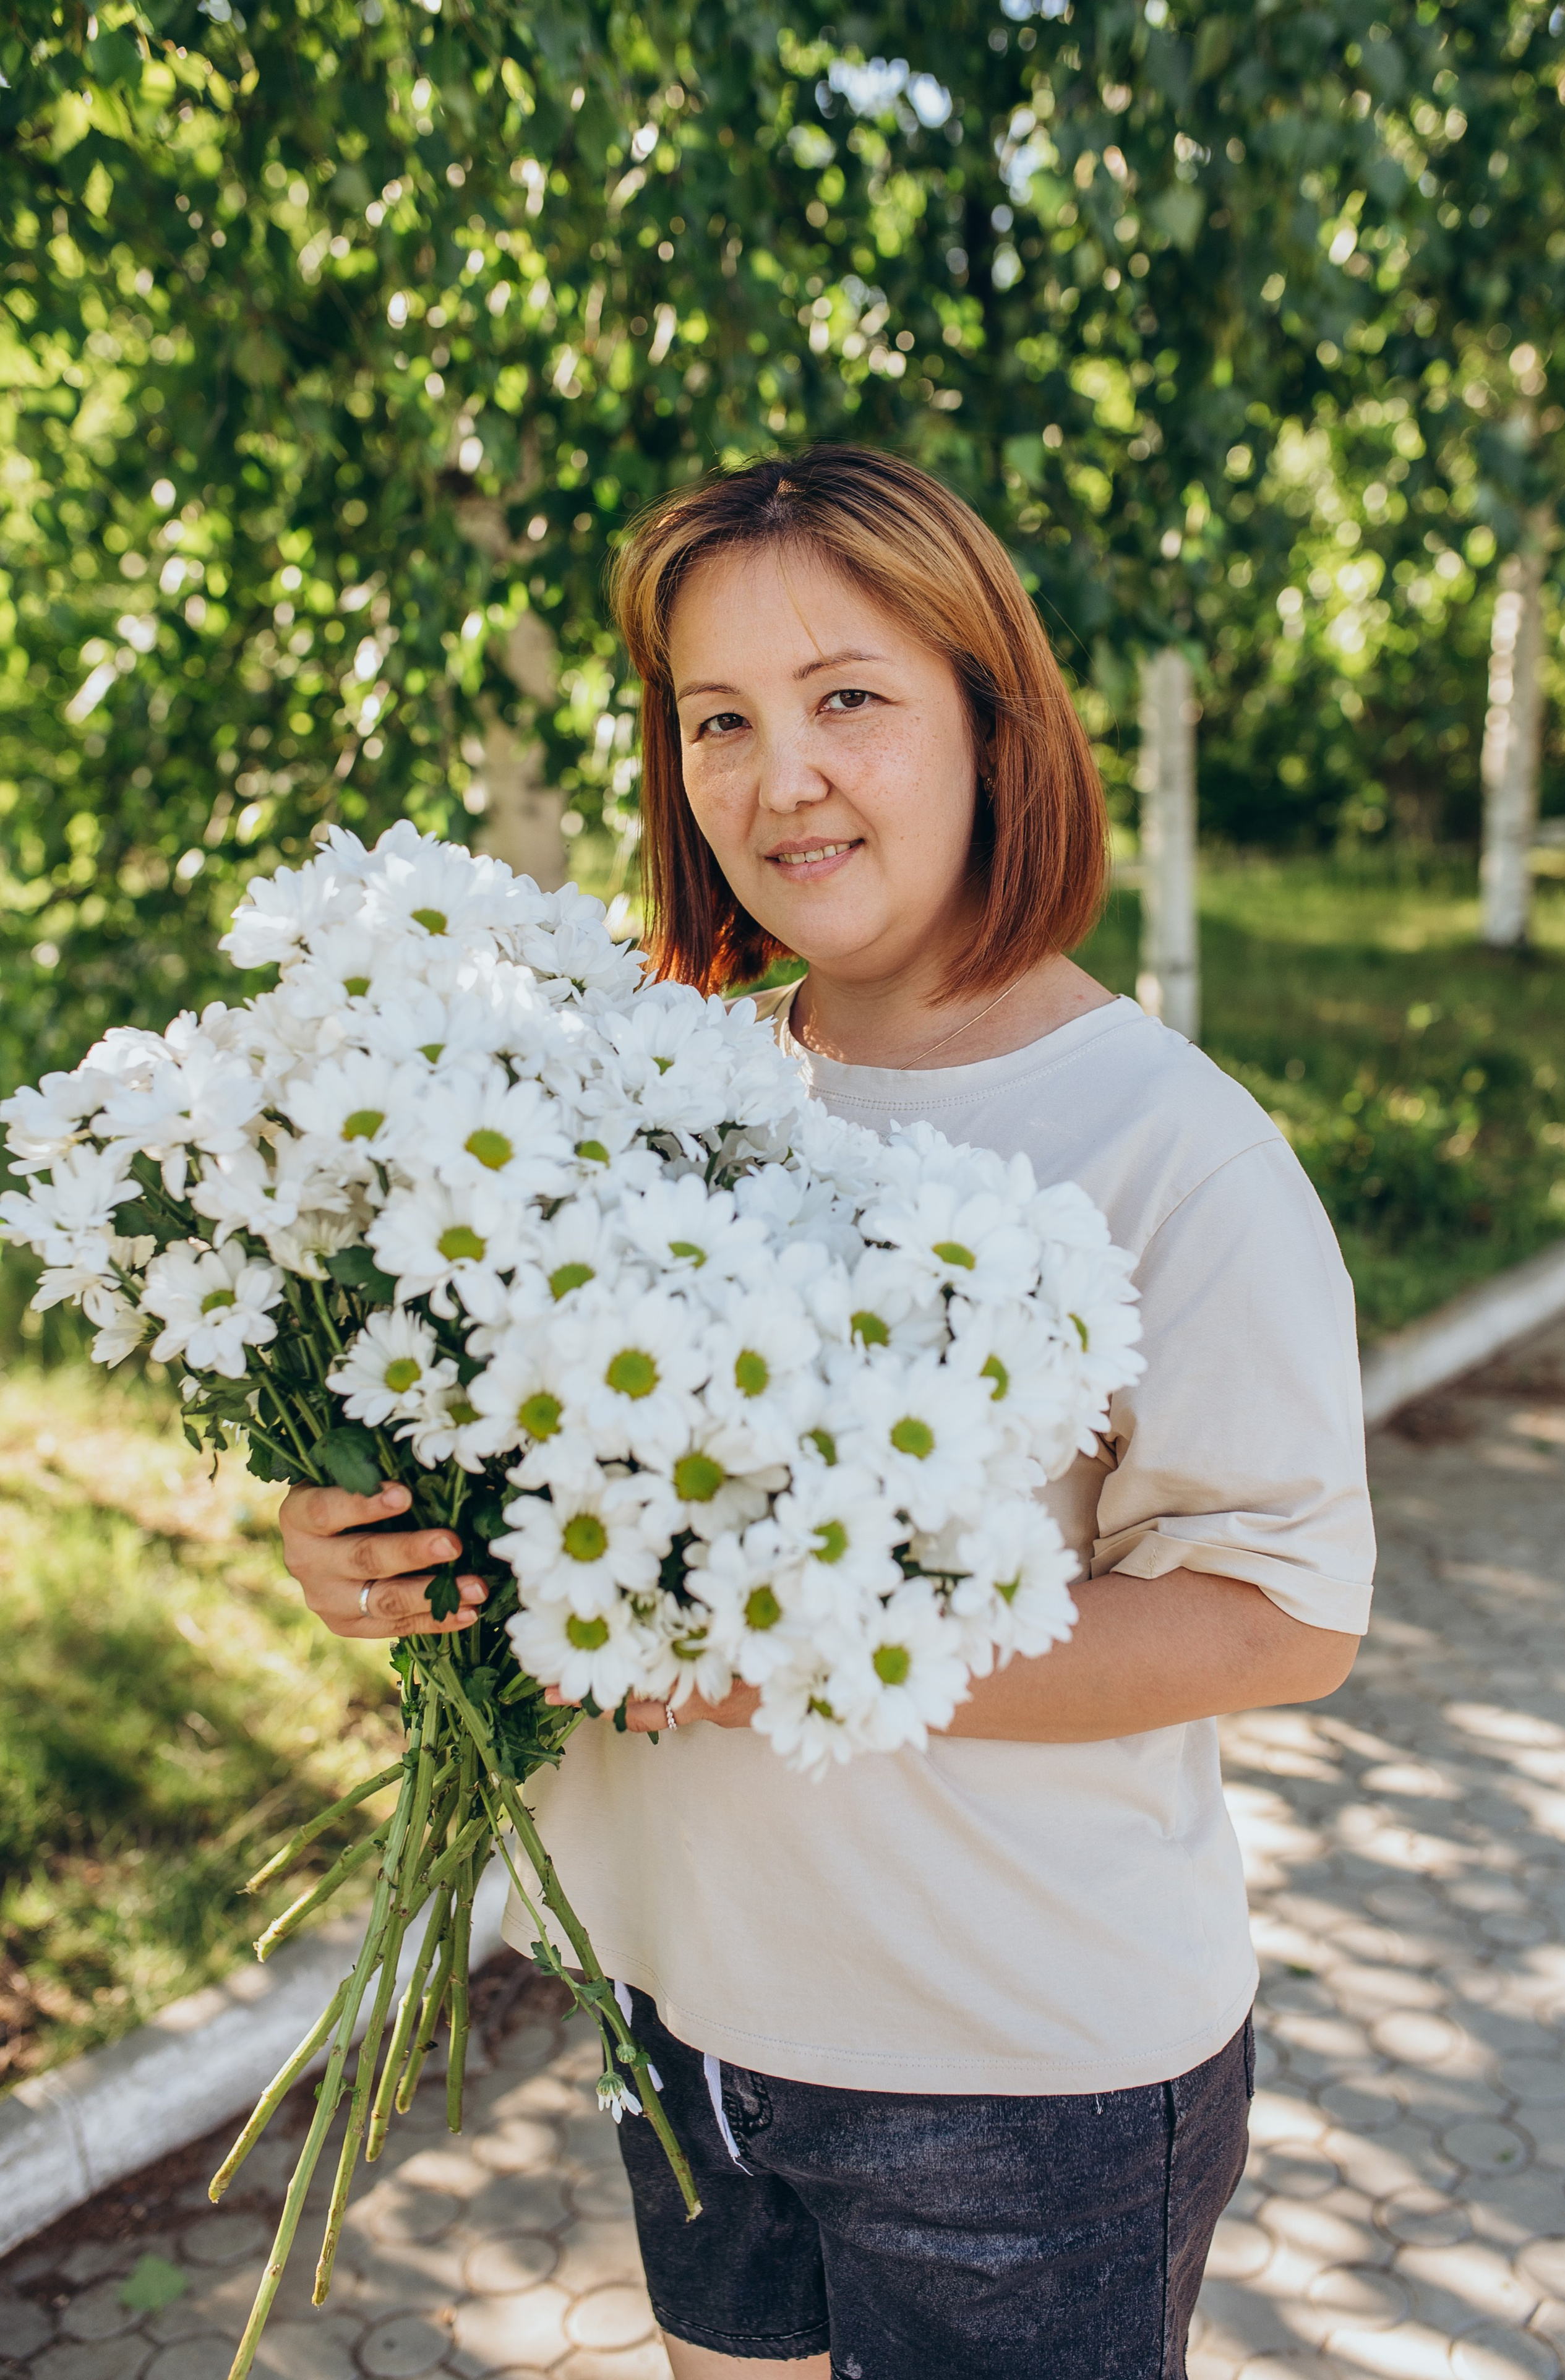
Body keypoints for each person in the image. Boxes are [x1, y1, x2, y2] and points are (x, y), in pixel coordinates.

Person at [279, 447, 1374, 2379]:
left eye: (848, 699)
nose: (778, 777)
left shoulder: (1169, 1148)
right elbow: (537, 1504)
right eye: (721, 718)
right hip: (684, 2020)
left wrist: (797, 1649)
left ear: (991, 720)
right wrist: (372, 1543)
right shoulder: (643, 1103)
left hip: (1016, 2082)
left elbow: (1285, 1613)